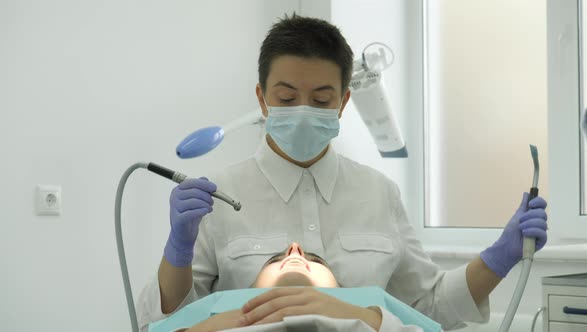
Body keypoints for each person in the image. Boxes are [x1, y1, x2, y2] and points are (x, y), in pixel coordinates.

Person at [137, 13, 549, 332]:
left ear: (344, 101)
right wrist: (178, 250)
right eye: (286, 97)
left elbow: (429, 307)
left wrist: (500, 257)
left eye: (321, 99)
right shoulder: (219, 197)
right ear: (262, 99)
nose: (303, 111)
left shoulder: (378, 194)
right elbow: (173, 321)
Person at [148, 243, 442, 332]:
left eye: (315, 259)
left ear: (341, 288)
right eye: (276, 259)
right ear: (250, 288)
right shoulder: (215, 308)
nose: (295, 250)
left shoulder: (373, 305)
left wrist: (371, 319)